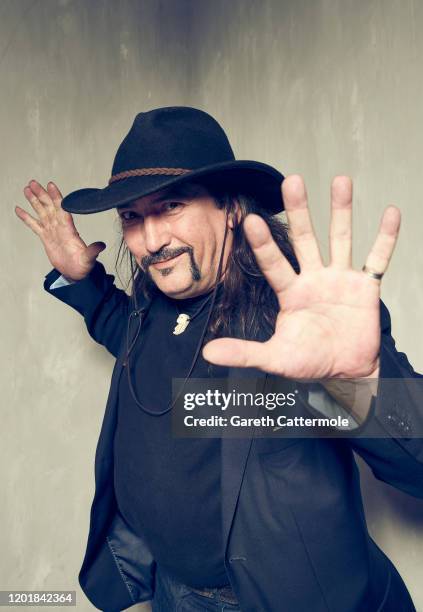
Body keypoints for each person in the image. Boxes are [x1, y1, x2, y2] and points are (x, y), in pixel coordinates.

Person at [15, 107, 423, 612]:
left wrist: (361, 382)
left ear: (231, 208)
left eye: (172, 206)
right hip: (173, 591)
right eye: (132, 217)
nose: (151, 240)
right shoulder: (155, 296)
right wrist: (84, 279)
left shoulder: (295, 317)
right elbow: (133, 344)